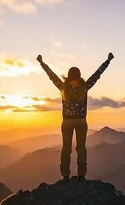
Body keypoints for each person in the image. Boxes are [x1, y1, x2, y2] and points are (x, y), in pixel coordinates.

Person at [37, 53, 114, 181]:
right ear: (79, 76)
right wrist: (108, 60)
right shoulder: (84, 87)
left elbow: (51, 75)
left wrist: (41, 62)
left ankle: (65, 175)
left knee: (66, 147)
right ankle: (81, 174)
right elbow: (97, 75)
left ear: (68, 76)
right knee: (81, 147)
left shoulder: (63, 88)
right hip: (81, 121)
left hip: (66, 122)